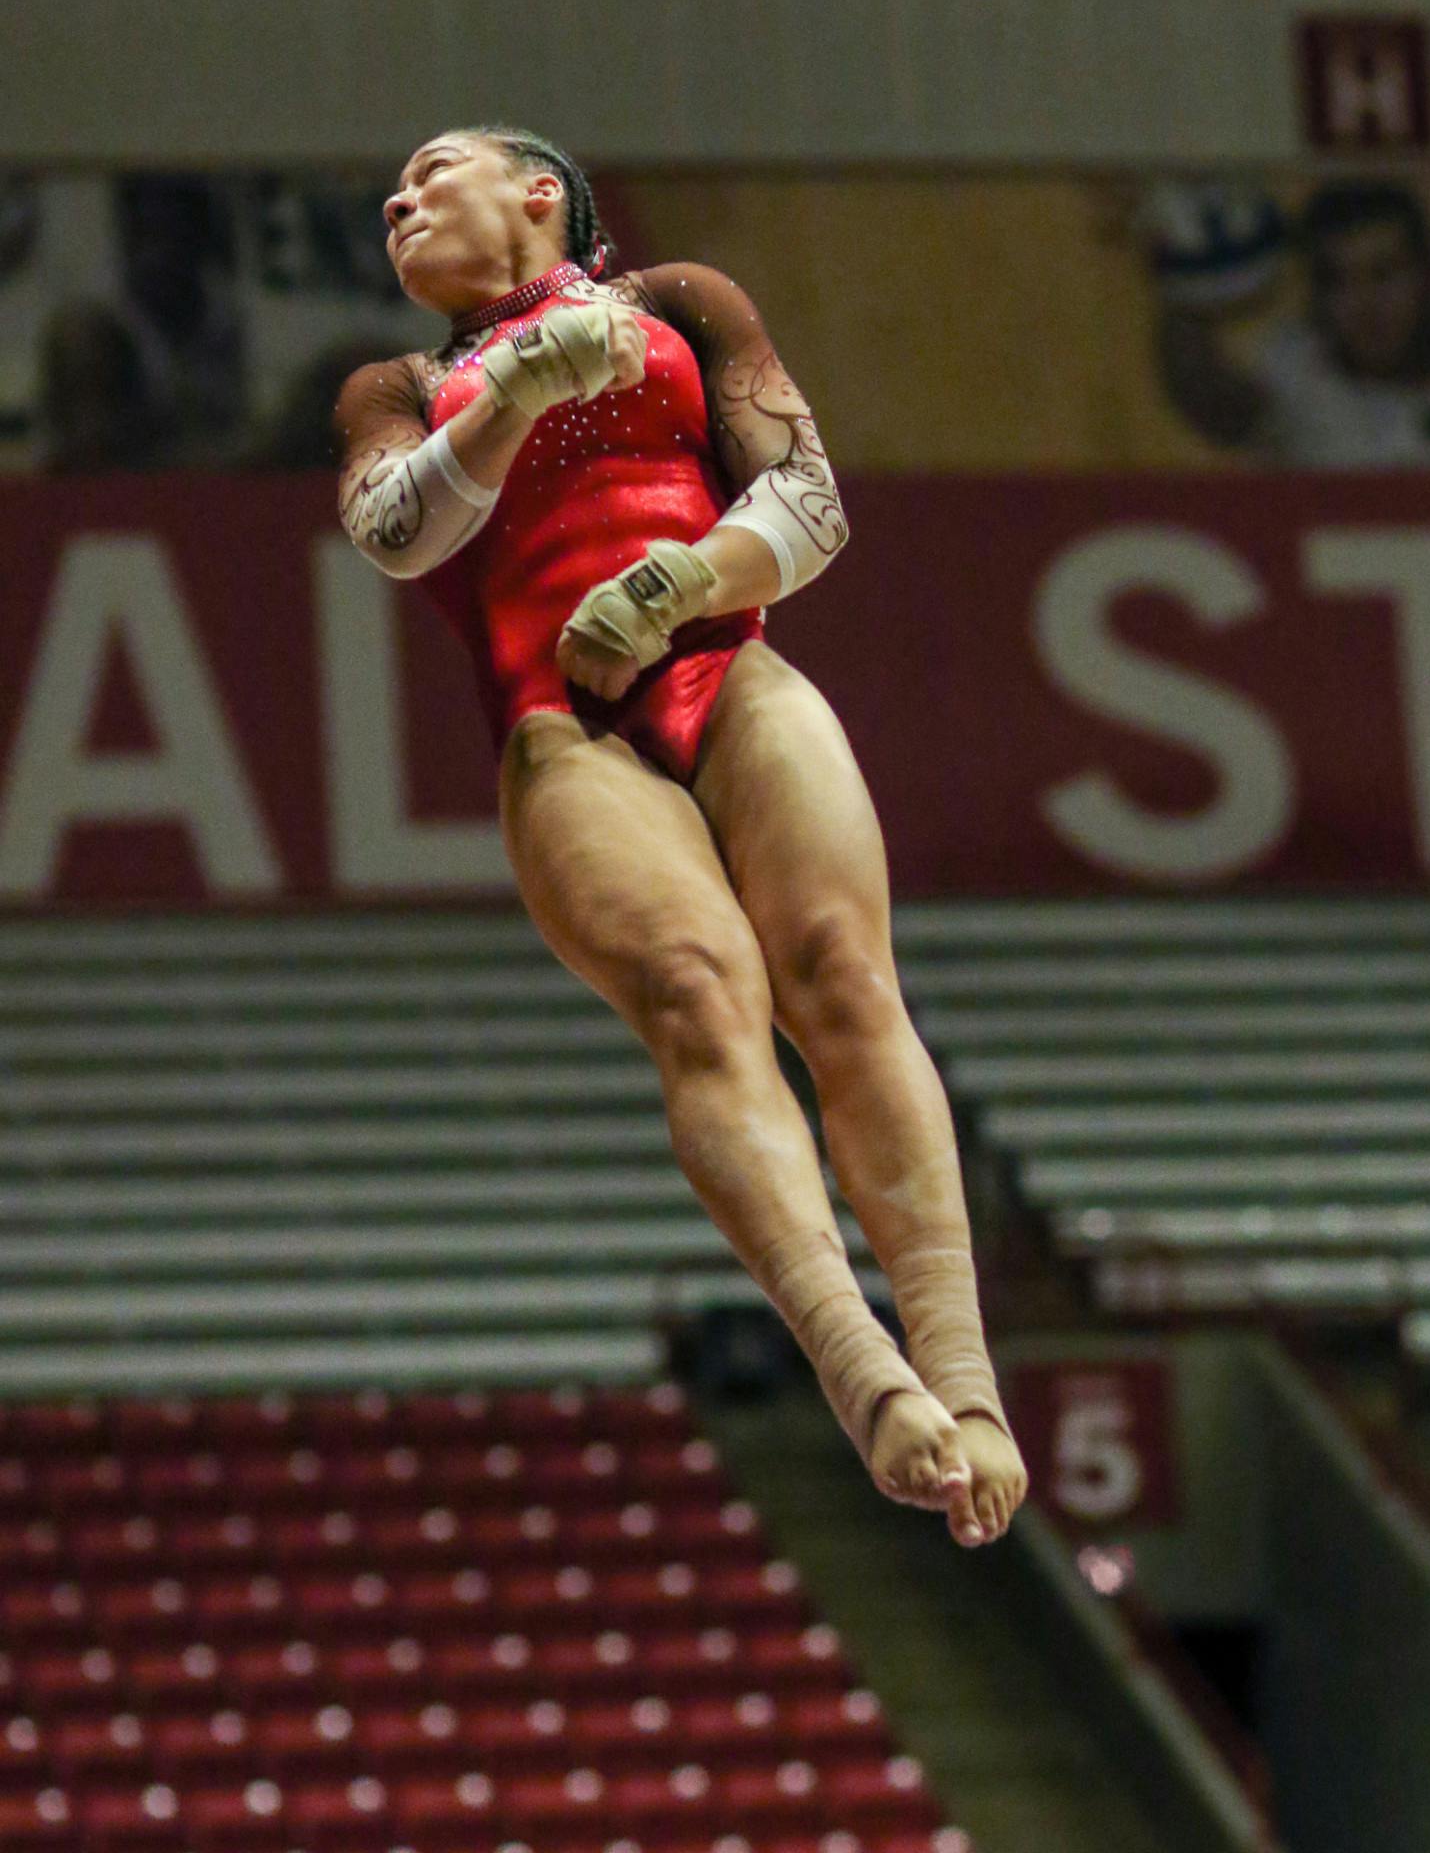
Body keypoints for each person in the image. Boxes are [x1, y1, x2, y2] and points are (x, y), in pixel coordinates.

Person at [334, 127, 1028, 1547]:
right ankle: (859, 1365)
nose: (399, 203)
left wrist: (679, 584)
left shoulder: (681, 305)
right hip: (560, 728)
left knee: (839, 970)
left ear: (540, 192)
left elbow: (812, 499)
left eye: (431, 173)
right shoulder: (396, 389)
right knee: (704, 997)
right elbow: (398, 532)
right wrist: (517, 389)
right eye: (391, 198)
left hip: (731, 667)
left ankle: (964, 1376)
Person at [1151, 177, 1430, 467]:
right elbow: (1213, 402)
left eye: (1384, 273)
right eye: (1337, 282)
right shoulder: (1298, 370)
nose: (1366, 303)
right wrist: (1187, 294)